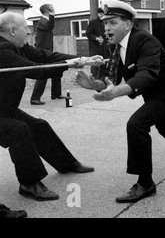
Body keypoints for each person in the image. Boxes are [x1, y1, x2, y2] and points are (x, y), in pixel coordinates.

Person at [76, 1, 165, 203]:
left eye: (112, 22)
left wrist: (115, 93)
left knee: (137, 124)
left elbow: (146, 75)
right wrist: (93, 84)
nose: (107, 28)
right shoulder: (117, 47)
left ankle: (145, 183)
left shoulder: (145, 41)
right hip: (153, 91)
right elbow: (112, 79)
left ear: (128, 24)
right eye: (105, 24)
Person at [0, 12, 98, 201]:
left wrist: (82, 59)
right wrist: (68, 65)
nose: (29, 32)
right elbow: (35, 70)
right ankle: (30, 184)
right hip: (2, 111)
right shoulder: (2, 50)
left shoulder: (16, 45)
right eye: (25, 28)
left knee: (39, 126)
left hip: (4, 109)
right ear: (12, 30)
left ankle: (66, 164)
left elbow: (44, 56)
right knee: (19, 130)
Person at [30, 4, 65, 105]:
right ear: (46, 10)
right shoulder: (42, 21)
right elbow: (50, 26)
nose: (54, 8)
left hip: (48, 51)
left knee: (57, 69)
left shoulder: (45, 21)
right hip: (42, 52)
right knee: (43, 74)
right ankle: (34, 98)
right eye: (51, 7)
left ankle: (56, 94)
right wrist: (52, 16)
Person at [86, 8, 111, 79]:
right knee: (95, 63)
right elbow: (88, 33)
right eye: (100, 14)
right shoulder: (93, 23)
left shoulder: (106, 22)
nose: (101, 15)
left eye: (103, 14)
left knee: (104, 62)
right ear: (98, 14)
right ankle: (94, 79)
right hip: (96, 47)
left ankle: (104, 78)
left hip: (105, 47)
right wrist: (96, 38)